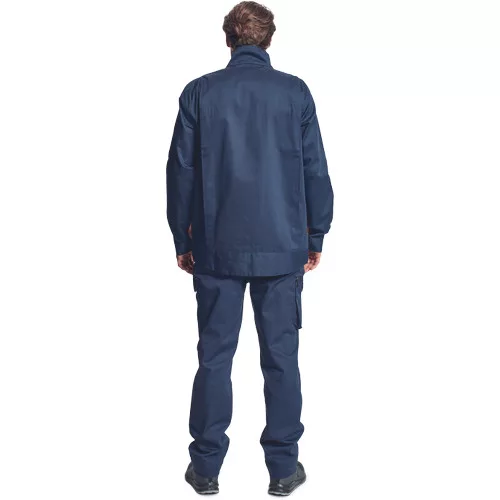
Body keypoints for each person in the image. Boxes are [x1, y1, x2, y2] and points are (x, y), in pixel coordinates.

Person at [166, 1, 333, 496]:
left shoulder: (200, 92)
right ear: (269, 40)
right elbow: (315, 168)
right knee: (281, 358)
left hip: (215, 247)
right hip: (283, 247)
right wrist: (315, 235)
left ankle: (205, 468)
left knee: (214, 358)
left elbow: (180, 172)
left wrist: (182, 238)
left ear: (228, 39)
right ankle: (283, 469)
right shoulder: (295, 92)